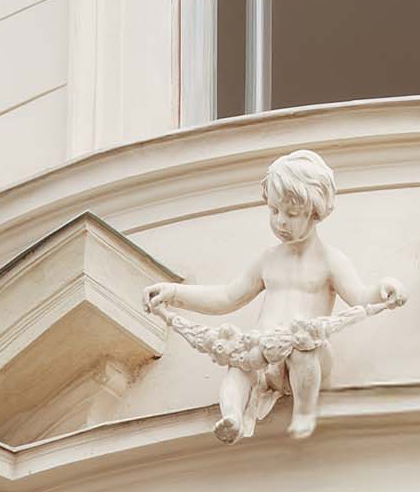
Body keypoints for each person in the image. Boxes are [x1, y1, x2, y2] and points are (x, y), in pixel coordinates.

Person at [144, 149, 405, 441]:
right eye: (274, 211)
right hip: (263, 348)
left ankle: (305, 413)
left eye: (291, 214)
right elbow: (227, 296)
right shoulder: (268, 260)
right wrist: (175, 293)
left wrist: (384, 287)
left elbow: (359, 297)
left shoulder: (331, 261)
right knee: (238, 368)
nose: (280, 221)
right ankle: (232, 416)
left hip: (306, 348)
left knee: (304, 351)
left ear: (315, 213)